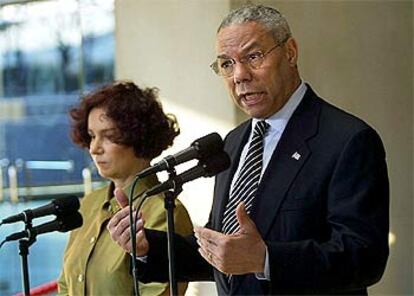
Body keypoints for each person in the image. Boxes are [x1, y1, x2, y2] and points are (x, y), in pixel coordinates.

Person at [108, 5, 389, 295]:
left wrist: (266, 260)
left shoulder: (347, 140)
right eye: (227, 64)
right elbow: (224, 252)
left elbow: (365, 257)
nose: (239, 75)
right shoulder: (233, 142)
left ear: (290, 52)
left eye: (253, 57)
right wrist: (146, 247)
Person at [57, 81, 193, 296]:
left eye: (108, 136)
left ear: (138, 137)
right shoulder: (90, 202)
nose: (94, 148)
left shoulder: (166, 211)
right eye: (92, 136)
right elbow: (66, 284)